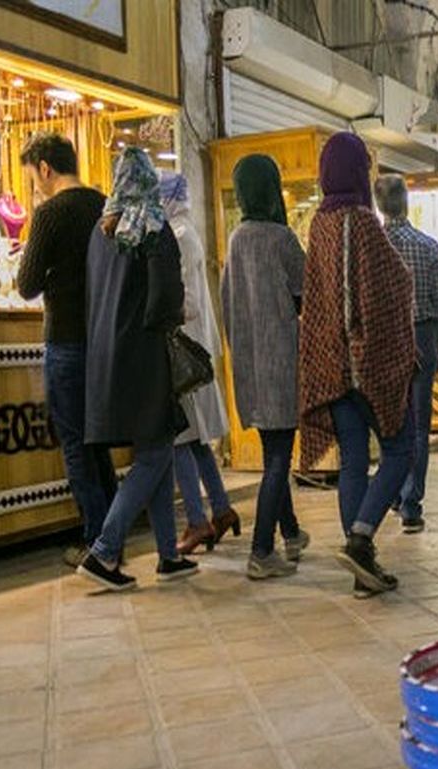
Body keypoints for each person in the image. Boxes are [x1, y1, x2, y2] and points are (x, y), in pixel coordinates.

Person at [76, 147, 198, 591]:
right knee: (155, 453)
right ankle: (105, 551)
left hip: (106, 355)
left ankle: (167, 554)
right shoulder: (153, 226)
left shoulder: (100, 231)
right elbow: (167, 296)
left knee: (157, 450)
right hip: (145, 355)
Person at [300, 132, 416, 596]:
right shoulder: (362, 223)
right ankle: (362, 537)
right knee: (398, 449)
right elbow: (394, 283)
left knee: (352, 460)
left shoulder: (318, 224)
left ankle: (361, 567)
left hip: (330, 361)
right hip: (368, 362)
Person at [16, 133, 117, 567]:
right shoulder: (103, 204)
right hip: (103, 339)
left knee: (75, 444)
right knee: (98, 442)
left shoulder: (49, 214)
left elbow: (26, 285)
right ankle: (113, 533)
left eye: (32, 177)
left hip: (66, 339)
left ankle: (96, 540)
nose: (34, 186)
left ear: (44, 168)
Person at [222, 154, 308, 579]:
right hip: (279, 363)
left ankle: (291, 534)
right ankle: (261, 550)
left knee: (274, 448)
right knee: (278, 458)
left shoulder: (236, 239)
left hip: (248, 363)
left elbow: (226, 301)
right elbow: (304, 294)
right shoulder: (281, 238)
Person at [156, 172, 240, 557]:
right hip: (195, 346)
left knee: (180, 438)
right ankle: (220, 509)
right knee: (197, 438)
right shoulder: (185, 230)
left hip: (183, 349)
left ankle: (196, 519)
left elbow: (183, 297)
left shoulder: (177, 236)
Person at [374, 174, 438, 535]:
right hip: (422, 336)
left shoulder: (373, 245)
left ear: (379, 205)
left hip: (385, 340)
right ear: (406, 202)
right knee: (420, 426)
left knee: (389, 419)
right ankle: (411, 504)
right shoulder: (428, 246)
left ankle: (390, 491)